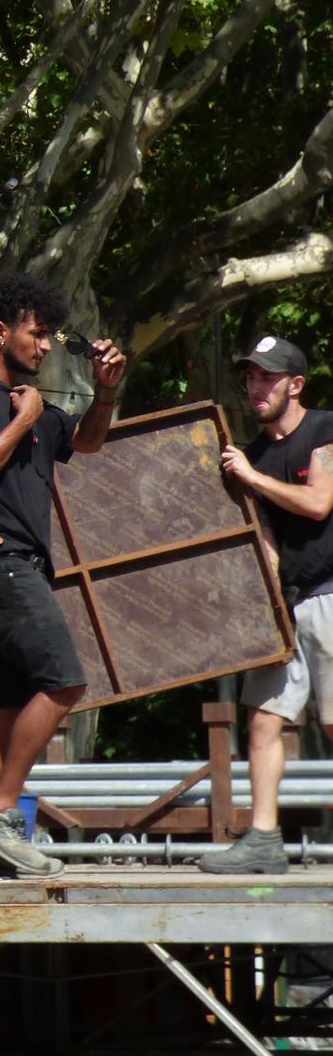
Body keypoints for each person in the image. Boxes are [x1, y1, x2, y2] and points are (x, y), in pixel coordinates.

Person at [0, 271, 126, 879]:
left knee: (3, 706)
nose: (45, 347)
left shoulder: (36, 404)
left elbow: (90, 445)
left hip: (26, 567)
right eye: (36, 335)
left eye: (48, 337)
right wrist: (22, 423)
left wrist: (105, 392)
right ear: (0, 331)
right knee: (65, 682)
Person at [200, 336, 333, 875]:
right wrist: (263, 610)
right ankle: (262, 838)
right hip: (290, 606)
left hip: (331, 598)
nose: (256, 388)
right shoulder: (254, 455)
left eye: (267, 378)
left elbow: (319, 502)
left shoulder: (325, 431)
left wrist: (252, 480)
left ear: (295, 385)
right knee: (263, 719)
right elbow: (269, 542)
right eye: (251, 377)